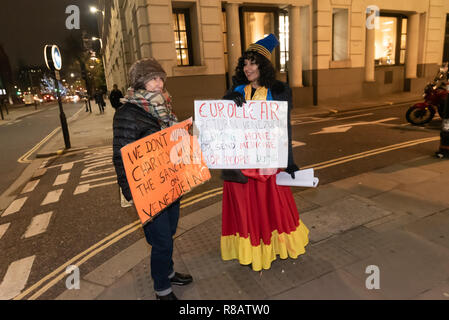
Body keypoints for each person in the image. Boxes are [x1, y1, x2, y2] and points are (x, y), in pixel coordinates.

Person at [220, 34, 309, 271]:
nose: (248, 68)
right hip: (241, 164)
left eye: (253, 62)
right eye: (245, 64)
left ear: (264, 65)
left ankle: (272, 248)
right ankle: (250, 251)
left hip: (266, 163)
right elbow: (221, 122)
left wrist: (289, 161)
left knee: (269, 207)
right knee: (247, 211)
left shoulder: (279, 90)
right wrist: (228, 99)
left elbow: (284, 127)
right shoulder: (237, 89)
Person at [112, 58, 192, 300]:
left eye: (160, 78)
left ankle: (167, 272)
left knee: (169, 232)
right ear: (140, 81)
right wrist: (131, 193)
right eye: (153, 78)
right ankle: (162, 289)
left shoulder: (165, 108)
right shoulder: (127, 113)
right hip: (147, 188)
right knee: (161, 241)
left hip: (170, 182)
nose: (159, 83)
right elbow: (120, 155)